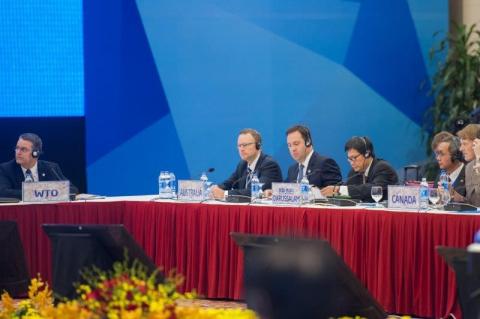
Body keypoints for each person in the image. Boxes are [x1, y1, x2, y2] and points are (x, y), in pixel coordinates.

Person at [0, 133, 78, 199]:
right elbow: (3, 192)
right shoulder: (5, 169)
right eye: (17, 148)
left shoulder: (51, 168)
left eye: (23, 149)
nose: (18, 152)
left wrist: (43, 193)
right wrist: (38, 193)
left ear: (35, 153)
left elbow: (72, 189)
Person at [211, 128, 283, 200]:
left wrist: (225, 194)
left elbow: (255, 192)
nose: (241, 149)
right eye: (239, 145)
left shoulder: (269, 165)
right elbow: (228, 183)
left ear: (258, 146)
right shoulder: (242, 165)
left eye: (245, 145)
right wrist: (215, 189)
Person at [320, 136, 398, 202]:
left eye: (354, 158)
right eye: (349, 159)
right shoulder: (354, 172)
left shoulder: (383, 168)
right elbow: (349, 193)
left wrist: (339, 190)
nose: (351, 163)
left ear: (367, 153)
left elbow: (374, 189)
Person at [431, 131, 465, 197]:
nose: (438, 158)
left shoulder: (470, 174)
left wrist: (453, 194)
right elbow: (432, 201)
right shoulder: (441, 176)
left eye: (441, 154)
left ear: (455, 154)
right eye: (437, 154)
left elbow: (474, 203)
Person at [455, 124, 480, 205]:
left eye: (465, 144)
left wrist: (479, 158)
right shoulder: (469, 167)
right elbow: (475, 203)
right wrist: (458, 197)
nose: (460, 149)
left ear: (477, 143)